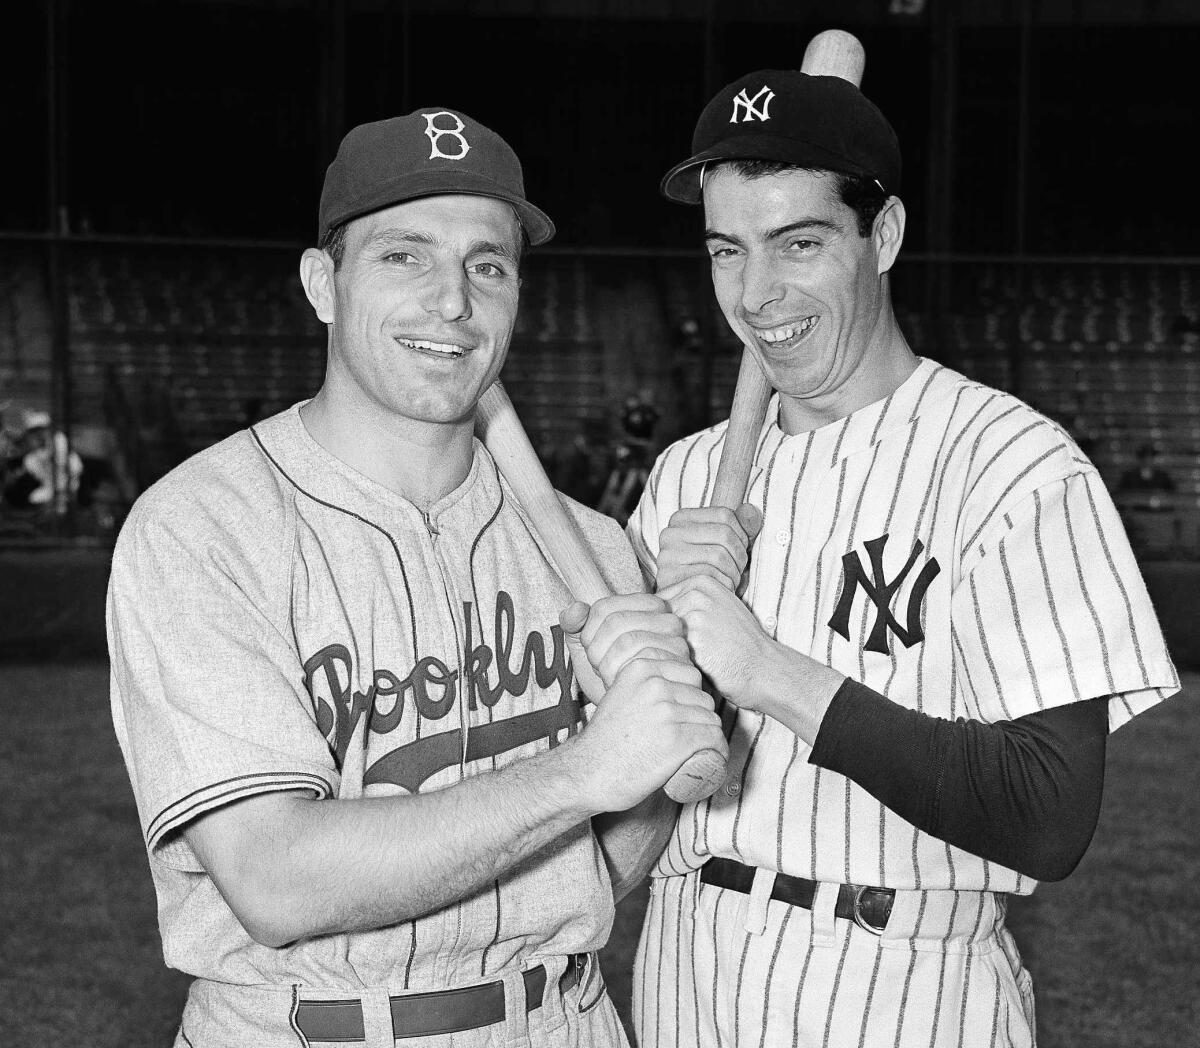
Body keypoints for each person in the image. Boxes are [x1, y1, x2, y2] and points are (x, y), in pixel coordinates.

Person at [107, 108, 725, 1048]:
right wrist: (591, 768)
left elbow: (604, 862)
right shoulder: (202, 528)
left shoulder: (592, 550)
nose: (453, 301)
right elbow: (274, 879)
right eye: (404, 255)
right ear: (323, 284)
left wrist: (660, 760)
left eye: (488, 264)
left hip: (563, 1018)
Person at [625, 69, 1180, 1048]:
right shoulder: (685, 479)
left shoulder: (1013, 468)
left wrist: (772, 676)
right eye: (728, 250)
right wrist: (650, 661)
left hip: (903, 985)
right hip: (687, 969)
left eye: (800, 243)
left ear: (881, 237)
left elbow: (1048, 815)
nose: (758, 294)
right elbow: (628, 767)